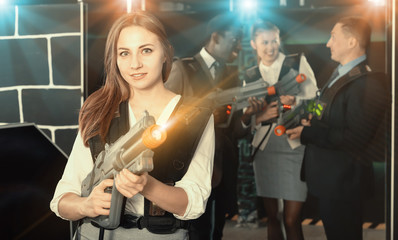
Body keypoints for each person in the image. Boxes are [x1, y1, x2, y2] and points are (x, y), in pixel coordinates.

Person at [50, 11, 215, 240]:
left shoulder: (197, 118)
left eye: (146, 50)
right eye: (124, 53)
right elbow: (62, 201)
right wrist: (87, 205)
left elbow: (194, 203)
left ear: (166, 53)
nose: (135, 64)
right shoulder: (99, 113)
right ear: (115, 59)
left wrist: (147, 186)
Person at [286, 16, 390, 240]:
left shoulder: (368, 82)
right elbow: (322, 107)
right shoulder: (337, 74)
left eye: (333, 36)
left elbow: (355, 138)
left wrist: (307, 133)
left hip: (344, 183)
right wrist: (304, 114)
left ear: (352, 42)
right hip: (330, 181)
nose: (327, 43)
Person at [164, 12, 243, 240]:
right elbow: (163, 118)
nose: (238, 45)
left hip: (223, 167)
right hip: (189, 166)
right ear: (216, 37)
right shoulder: (183, 68)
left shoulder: (232, 74)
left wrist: (247, 117)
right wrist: (203, 115)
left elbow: (235, 129)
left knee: (216, 231)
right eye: (234, 39)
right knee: (192, 232)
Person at [239, 20, 318, 240]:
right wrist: (259, 116)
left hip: (294, 145)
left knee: (292, 219)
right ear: (254, 44)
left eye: (274, 40)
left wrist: (292, 103)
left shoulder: (295, 62)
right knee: (272, 218)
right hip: (265, 149)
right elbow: (246, 115)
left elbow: (316, 102)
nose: (270, 47)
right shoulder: (251, 74)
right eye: (264, 42)